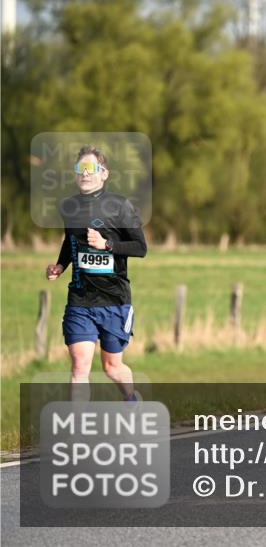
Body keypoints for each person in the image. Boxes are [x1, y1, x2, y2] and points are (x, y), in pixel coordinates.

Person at [45, 146, 148, 402]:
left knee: (112, 367)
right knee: (80, 366)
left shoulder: (121, 206)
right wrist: (60, 265)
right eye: (80, 168)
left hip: (114, 300)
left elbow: (140, 247)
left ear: (104, 174)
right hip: (80, 299)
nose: (85, 174)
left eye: (91, 169)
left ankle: (131, 398)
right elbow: (69, 242)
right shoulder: (69, 207)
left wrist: (107, 245)